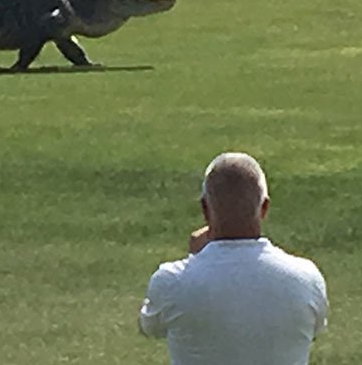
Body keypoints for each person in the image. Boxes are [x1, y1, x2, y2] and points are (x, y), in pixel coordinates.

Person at [138, 152, 328, 365]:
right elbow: (316, 328)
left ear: (205, 209)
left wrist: (195, 258)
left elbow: (150, 326)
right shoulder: (306, 278)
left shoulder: (171, 282)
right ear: (263, 208)